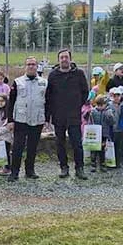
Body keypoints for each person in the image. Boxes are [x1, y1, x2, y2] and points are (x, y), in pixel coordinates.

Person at [45, 49, 89, 180]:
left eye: (66, 57)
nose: (64, 59)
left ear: (70, 59)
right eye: (61, 57)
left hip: (74, 115)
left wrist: (76, 105)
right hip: (58, 115)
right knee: (60, 143)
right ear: (58, 60)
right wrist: (48, 116)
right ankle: (64, 167)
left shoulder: (79, 74)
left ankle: (79, 168)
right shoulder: (53, 75)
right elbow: (49, 96)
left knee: (76, 143)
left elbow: (85, 92)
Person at [7, 57, 47, 182]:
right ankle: (14, 172)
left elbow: (48, 101)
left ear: (37, 66)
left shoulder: (44, 82)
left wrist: (47, 118)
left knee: (32, 147)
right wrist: (10, 120)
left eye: (33, 64)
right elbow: (11, 101)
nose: (31, 66)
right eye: (29, 64)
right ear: (25, 66)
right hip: (20, 119)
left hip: (37, 119)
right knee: (18, 147)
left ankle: (30, 170)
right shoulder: (18, 82)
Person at [88, 95, 115, 173]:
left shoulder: (108, 112)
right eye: (99, 105)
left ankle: (102, 164)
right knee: (93, 150)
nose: (100, 107)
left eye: (102, 105)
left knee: (102, 150)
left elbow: (112, 123)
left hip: (104, 134)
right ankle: (93, 164)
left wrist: (110, 116)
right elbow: (90, 122)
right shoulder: (93, 112)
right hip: (95, 134)